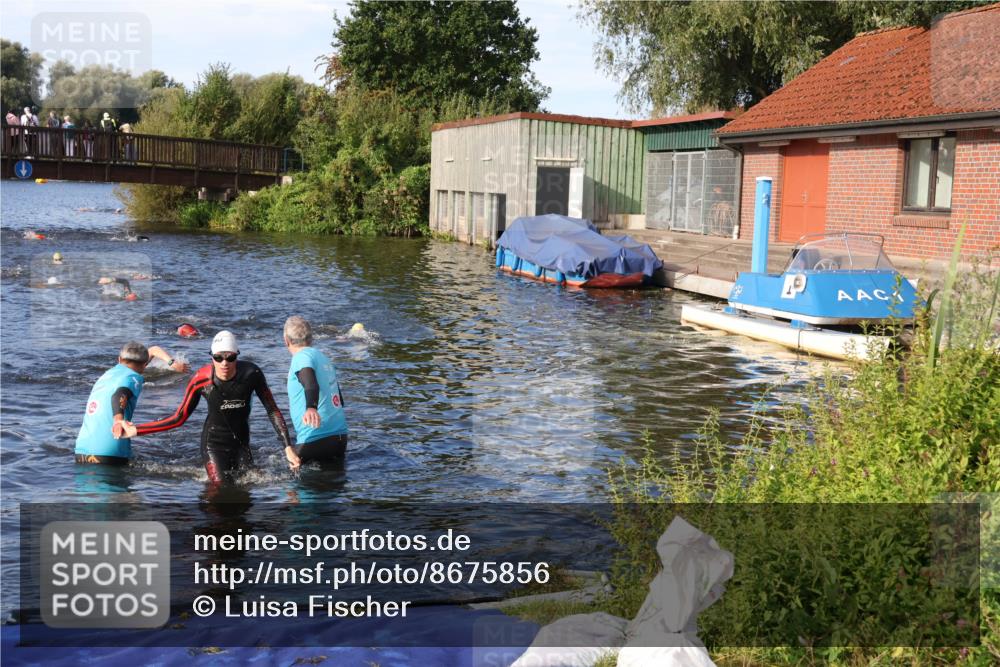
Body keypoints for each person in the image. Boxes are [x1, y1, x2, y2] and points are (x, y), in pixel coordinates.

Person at [121, 331, 300, 483]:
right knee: (220, 490)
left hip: (241, 444)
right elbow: (179, 417)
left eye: (230, 357)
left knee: (250, 486)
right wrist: (137, 430)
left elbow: (272, 409)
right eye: (218, 357)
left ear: (237, 356)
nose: (225, 363)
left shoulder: (252, 374)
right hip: (213, 445)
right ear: (211, 357)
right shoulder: (201, 379)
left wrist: (287, 446)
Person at [75, 342, 189, 465]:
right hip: (111, 452)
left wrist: (172, 363)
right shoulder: (133, 378)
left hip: (82, 451)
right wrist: (118, 420)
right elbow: (120, 394)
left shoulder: (108, 374)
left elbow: (153, 350)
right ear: (145, 365)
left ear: (119, 359)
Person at [283, 316, 349, 464]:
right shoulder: (324, 358)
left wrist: (311, 408)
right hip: (340, 437)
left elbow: (310, 383)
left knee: (295, 484)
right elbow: (339, 398)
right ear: (311, 338)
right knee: (333, 484)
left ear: (286, 340)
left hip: (315, 437)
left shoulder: (301, 357)